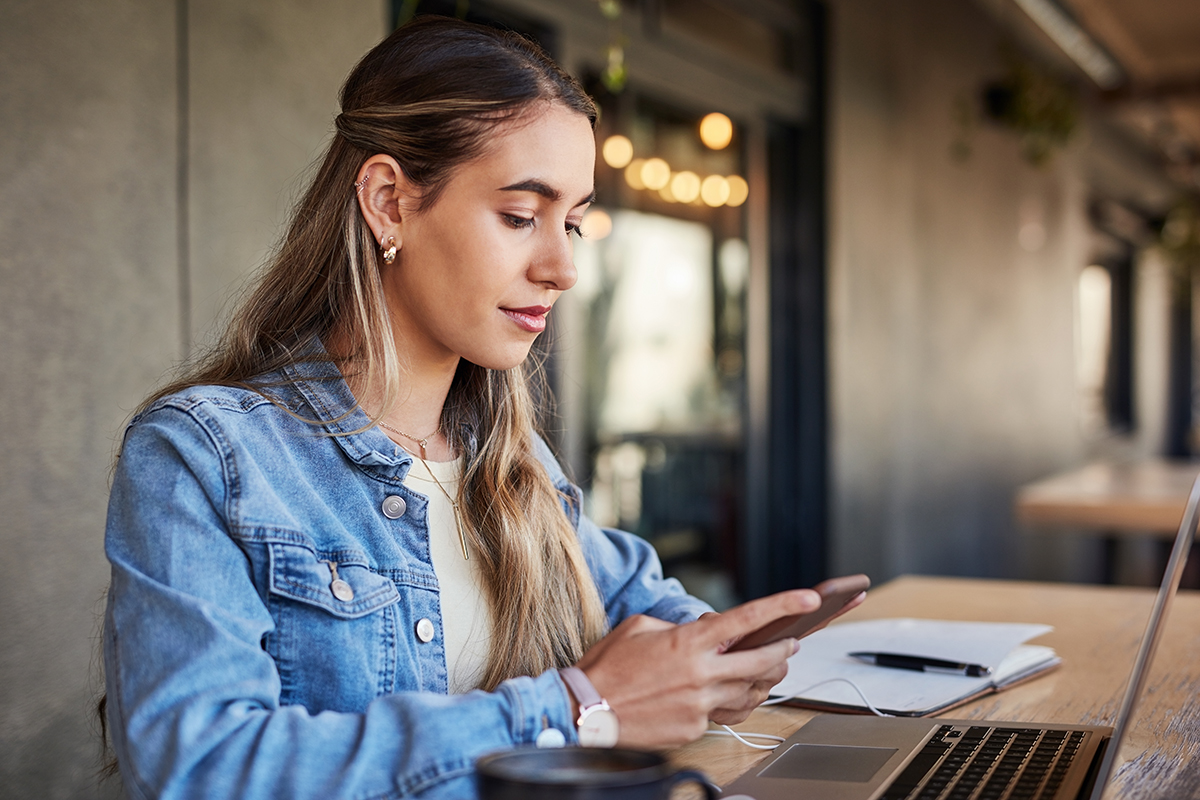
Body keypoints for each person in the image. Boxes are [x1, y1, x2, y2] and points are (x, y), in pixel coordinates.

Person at [101, 16, 855, 799]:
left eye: (573, 223)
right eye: (521, 217)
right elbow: (202, 768)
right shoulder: (205, 457)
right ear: (389, 202)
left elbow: (656, 611)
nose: (563, 268)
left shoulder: (514, 464)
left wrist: (719, 659)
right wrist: (577, 708)